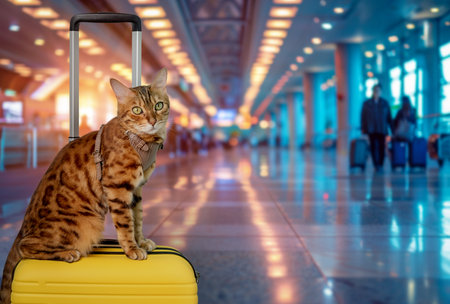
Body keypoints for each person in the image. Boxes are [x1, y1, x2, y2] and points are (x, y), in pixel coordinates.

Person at [361, 84, 393, 172]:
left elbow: (389, 117)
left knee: (382, 146)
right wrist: (363, 129)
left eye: (378, 90)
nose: (377, 92)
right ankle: (376, 164)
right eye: (375, 90)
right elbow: (363, 117)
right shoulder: (367, 104)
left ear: (381, 92)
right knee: (373, 146)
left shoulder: (385, 103)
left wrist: (392, 129)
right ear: (373, 91)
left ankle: (381, 164)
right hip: (371, 129)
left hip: (382, 129)